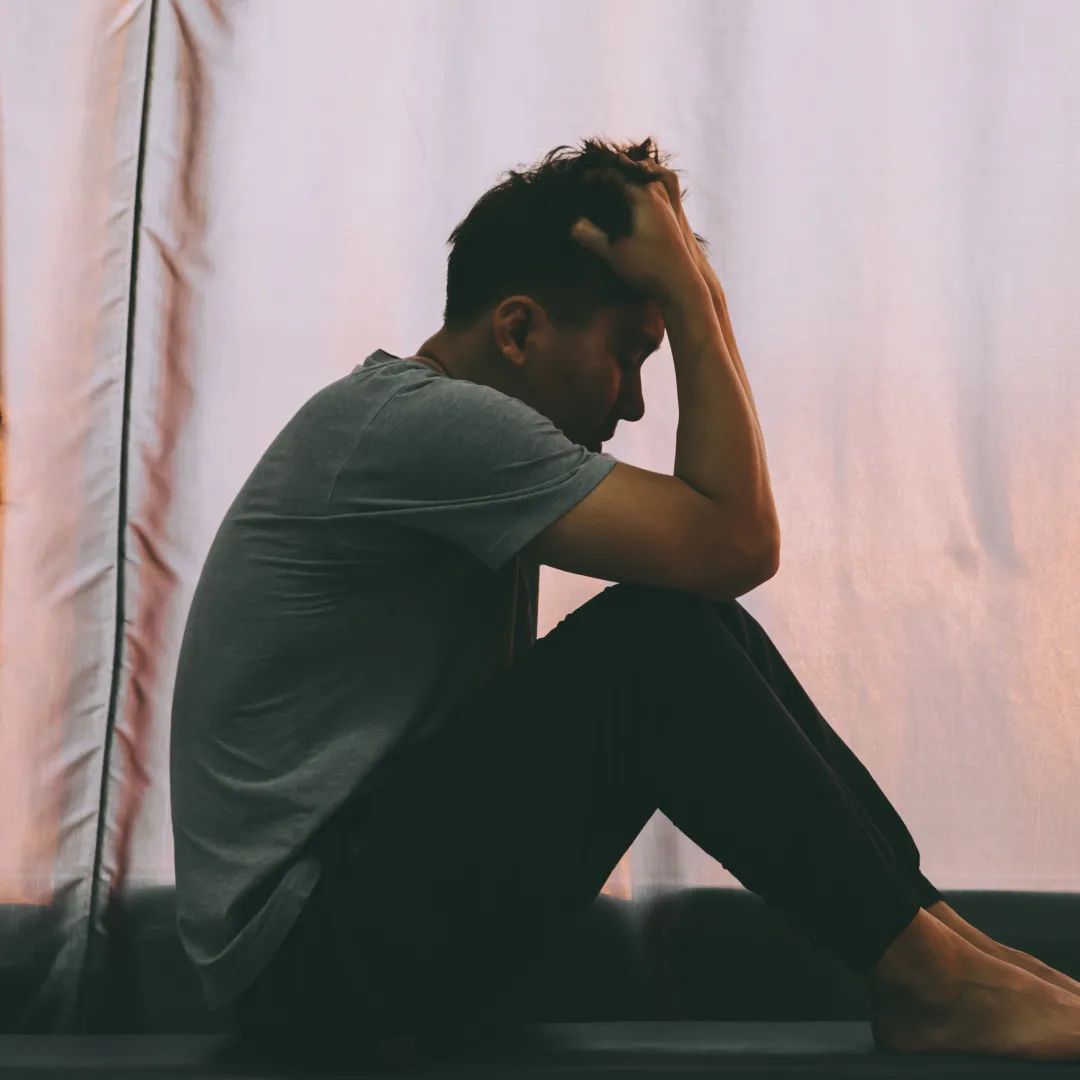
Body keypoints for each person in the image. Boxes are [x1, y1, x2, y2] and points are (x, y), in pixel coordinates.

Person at [171, 137, 1080, 1071]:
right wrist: (693, 301)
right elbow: (736, 542)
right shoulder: (417, 424)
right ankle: (930, 981)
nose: (639, 405)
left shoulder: (424, 427)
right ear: (517, 331)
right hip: (302, 966)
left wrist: (694, 295)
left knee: (698, 625)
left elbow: (722, 562)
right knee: (657, 639)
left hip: (356, 926)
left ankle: (949, 952)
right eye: (628, 355)